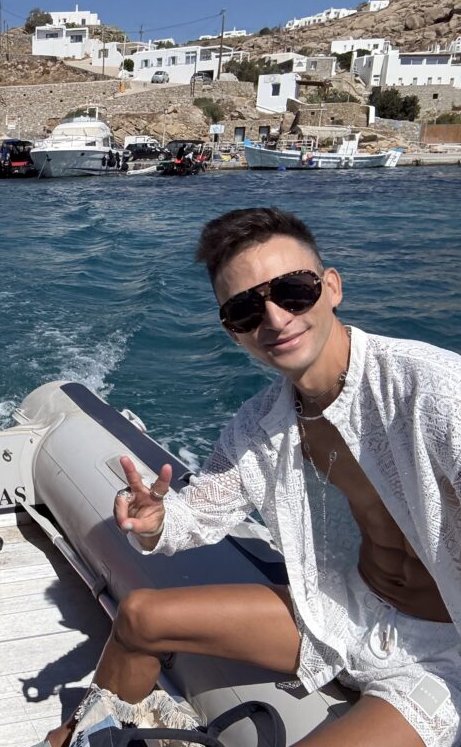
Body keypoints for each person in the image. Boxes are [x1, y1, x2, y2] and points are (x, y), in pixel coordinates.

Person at [42, 207, 460, 747]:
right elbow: (199, 512)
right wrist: (155, 521)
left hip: (440, 652)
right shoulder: (260, 423)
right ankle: (78, 736)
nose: (275, 319)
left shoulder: (432, 390)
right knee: (141, 614)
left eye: (293, 290)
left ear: (331, 287)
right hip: (344, 611)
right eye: (245, 309)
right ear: (233, 332)